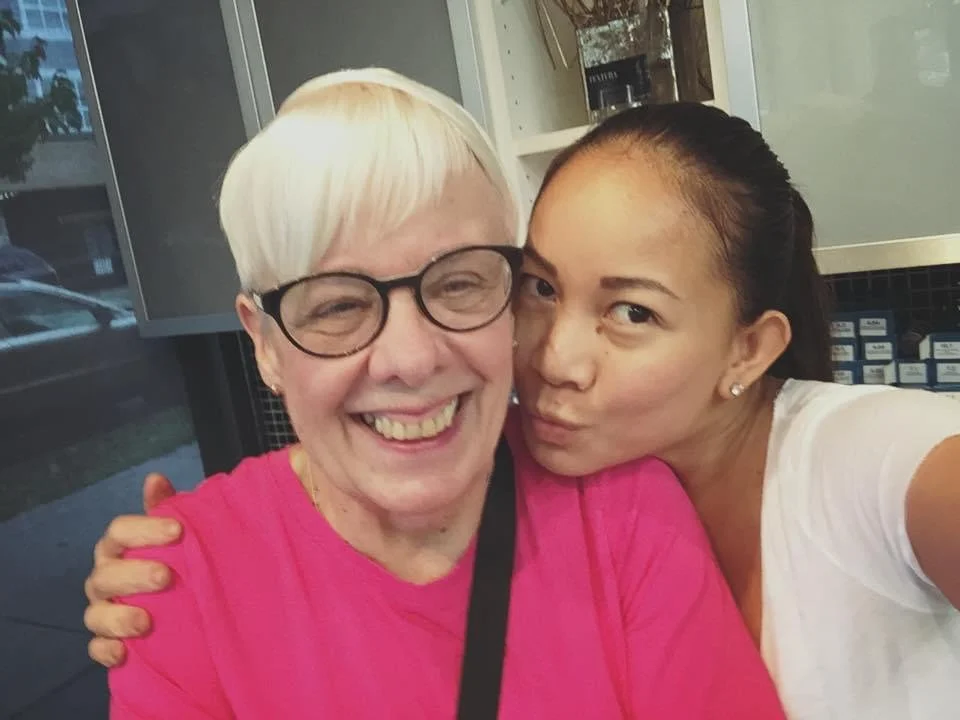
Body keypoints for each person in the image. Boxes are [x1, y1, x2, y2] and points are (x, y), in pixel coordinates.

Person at [88, 91, 960, 717]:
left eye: (458, 284)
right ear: (265, 342)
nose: (554, 358)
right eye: (338, 305)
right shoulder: (175, 579)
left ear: (748, 350)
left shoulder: (833, 466)